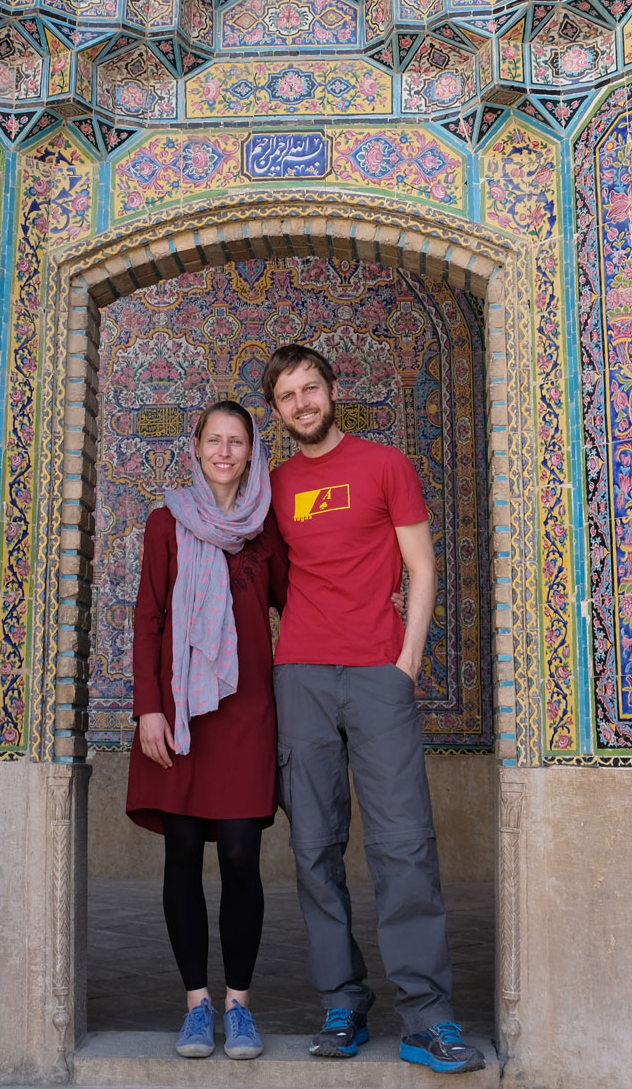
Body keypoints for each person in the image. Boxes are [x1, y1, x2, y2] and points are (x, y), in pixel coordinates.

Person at [262, 344, 487, 1074]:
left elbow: (421, 565)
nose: (302, 402)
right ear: (277, 410)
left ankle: (427, 1014)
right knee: (314, 846)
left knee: (404, 843)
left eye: (310, 388)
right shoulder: (277, 483)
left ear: (334, 389)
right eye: (287, 395)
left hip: (377, 673)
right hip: (299, 673)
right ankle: (342, 999)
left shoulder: (385, 464)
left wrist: (407, 661)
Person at [126, 400, 288, 1062]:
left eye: (236, 441)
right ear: (195, 448)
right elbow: (148, 617)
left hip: (246, 710)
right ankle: (197, 1006)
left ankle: (239, 1007)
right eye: (214, 440)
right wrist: (149, 708)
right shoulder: (166, 523)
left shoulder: (266, 528)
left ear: (251, 451)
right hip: (181, 713)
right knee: (183, 858)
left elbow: (299, 599)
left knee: (243, 858)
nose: (224, 450)